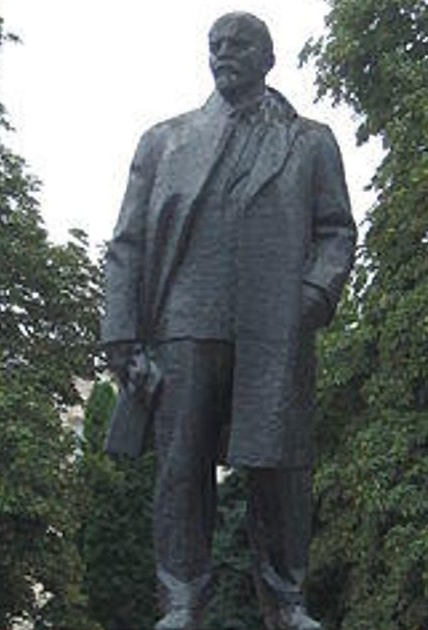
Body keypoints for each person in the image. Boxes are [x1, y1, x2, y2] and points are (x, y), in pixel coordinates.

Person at [101, 11, 356, 630]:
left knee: (279, 468)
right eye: (215, 45)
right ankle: (181, 598)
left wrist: (312, 299)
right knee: (181, 466)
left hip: (275, 327)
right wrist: (121, 335)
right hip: (186, 321)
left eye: (238, 45)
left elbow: (336, 232)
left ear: (268, 59)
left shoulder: (310, 141)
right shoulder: (165, 142)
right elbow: (128, 242)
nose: (223, 54)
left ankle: (287, 600)